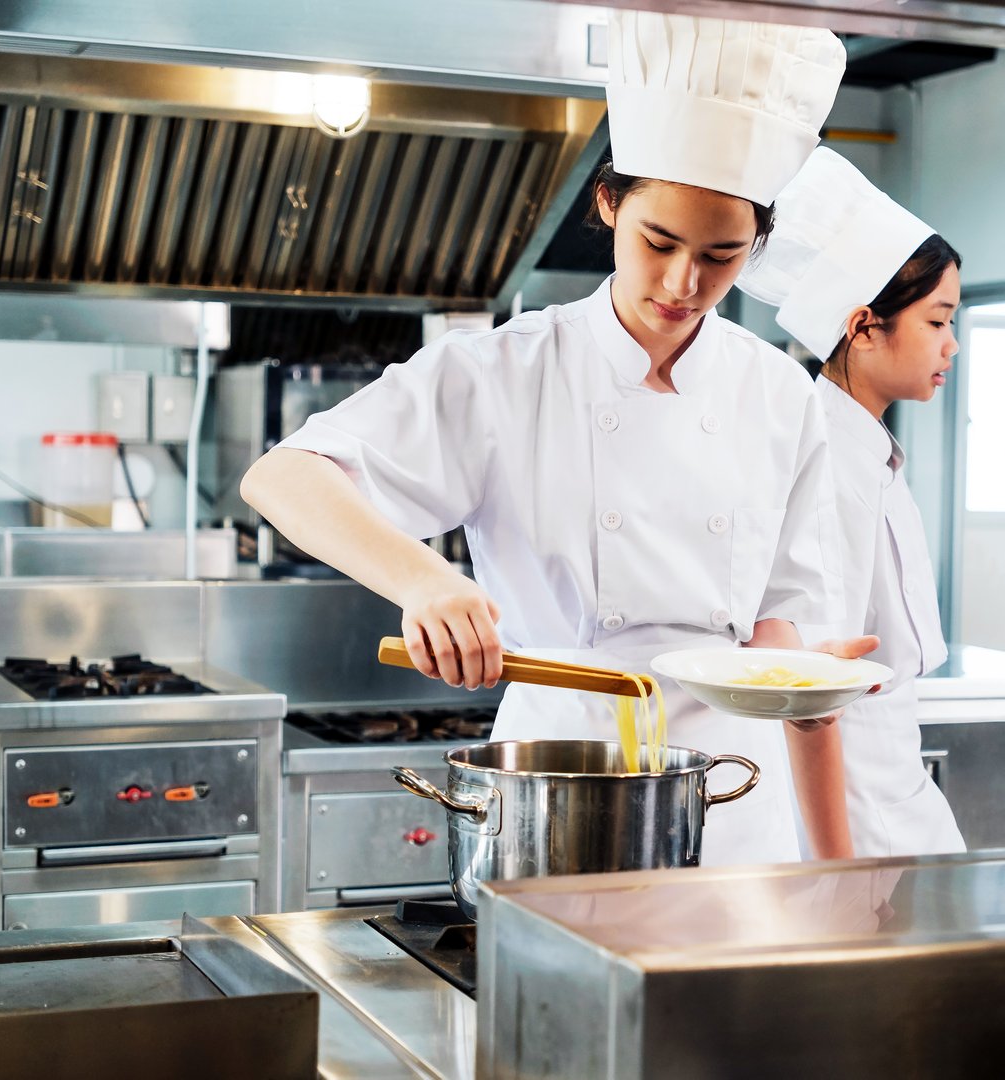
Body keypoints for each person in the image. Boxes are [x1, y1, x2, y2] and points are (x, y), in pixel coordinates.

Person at [241, 12, 863, 864]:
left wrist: (800, 685)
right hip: (556, 793)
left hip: (730, 795)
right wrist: (425, 579)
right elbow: (284, 477)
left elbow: (776, 622)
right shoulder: (503, 371)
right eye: (660, 242)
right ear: (609, 204)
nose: (684, 284)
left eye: (721, 256)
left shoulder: (781, 396)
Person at [738, 147, 967, 857]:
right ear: (865, 327)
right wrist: (836, 870)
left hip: (899, 802)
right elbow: (812, 698)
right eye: (936, 322)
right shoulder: (830, 462)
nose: (951, 346)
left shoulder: (868, 452)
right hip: (864, 825)